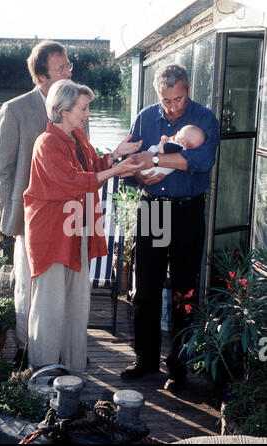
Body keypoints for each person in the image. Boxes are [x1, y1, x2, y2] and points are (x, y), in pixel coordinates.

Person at [23, 79, 143, 371]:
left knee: (76, 305)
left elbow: (90, 169)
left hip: (75, 232)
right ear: (64, 110)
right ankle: (44, 374)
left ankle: (72, 370)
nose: (87, 113)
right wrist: (118, 169)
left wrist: (115, 155)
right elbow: (71, 182)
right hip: (51, 235)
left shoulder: (77, 138)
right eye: (83, 108)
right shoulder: (47, 142)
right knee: (49, 308)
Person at [120, 64, 220, 390]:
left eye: (178, 99)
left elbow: (201, 162)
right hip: (152, 209)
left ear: (187, 89)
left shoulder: (205, 118)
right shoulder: (145, 118)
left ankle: (179, 367)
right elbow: (132, 161)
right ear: (158, 94)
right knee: (146, 288)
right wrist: (140, 172)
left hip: (188, 212)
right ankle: (145, 361)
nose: (172, 106)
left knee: (184, 290)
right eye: (166, 100)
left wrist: (157, 161)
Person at [0, 40, 82, 365]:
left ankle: (56, 350)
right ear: (42, 77)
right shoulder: (16, 109)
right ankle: (24, 349)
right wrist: (10, 217)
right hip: (29, 219)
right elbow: (4, 169)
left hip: (66, 218)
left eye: (69, 65)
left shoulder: (74, 107)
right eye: (62, 68)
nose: (69, 71)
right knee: (28, 288)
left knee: (59, 289)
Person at [141, 124, 206, 176]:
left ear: (183, 142)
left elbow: (161, 150)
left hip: (149, 169)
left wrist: (162, 141)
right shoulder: (182, 149)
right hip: (153, 172)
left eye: (178, 133)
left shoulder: (175, 146)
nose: (176, 133)